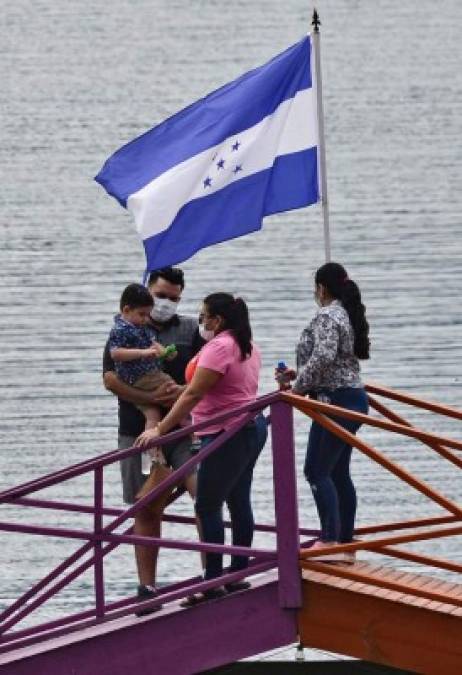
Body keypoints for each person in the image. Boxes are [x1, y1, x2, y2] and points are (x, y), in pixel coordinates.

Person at [135, 293, 267, 602]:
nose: (201, 321)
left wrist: (160, 429)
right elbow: (222, 389)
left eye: (204, 316)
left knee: (207, 505)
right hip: (250, 426)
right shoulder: (247, 345)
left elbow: (194, 394)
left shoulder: (220, 347)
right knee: (238, 499)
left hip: (227, 432)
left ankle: (213, 578)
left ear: (218, 321)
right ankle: (237, 571)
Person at [102, 266, 203, 610]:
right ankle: (147, 589)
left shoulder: (190, 329)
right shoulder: (123, 331)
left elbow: (210, 375)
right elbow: (111, 381)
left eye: (173, 298)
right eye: (160, 296)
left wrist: (183, 391)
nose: (165, 304)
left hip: (185, 430)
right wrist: (152, 401)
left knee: (203, 495)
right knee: (146, 507)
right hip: (138, 431)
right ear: (146, 292)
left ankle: (212, 575)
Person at [289, 262, 370, 561]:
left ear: (321, 288)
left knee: (316, 470)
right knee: (337, 471)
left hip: (335, 402)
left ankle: (331, 542)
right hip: (353, 398)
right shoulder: (345, 313)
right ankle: (345, 542)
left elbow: (323, 355)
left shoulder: (326, 315)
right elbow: (331, 361)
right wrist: (298, 378)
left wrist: (297, 387)